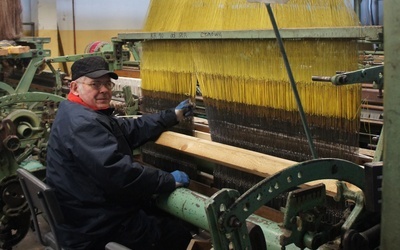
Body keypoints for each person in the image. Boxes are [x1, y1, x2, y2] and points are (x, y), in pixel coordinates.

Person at [46, 56, 194, 250]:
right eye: (95, 84)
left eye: (107, 84)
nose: (104, 90)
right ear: (74, 87)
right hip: (96, 229)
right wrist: (166, 180)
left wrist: (172, 116)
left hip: (87, 215)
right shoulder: (84, 124)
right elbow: (119, 174)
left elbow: (129, 129)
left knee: (160, 215)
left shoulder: (76, 111)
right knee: (178, 233)